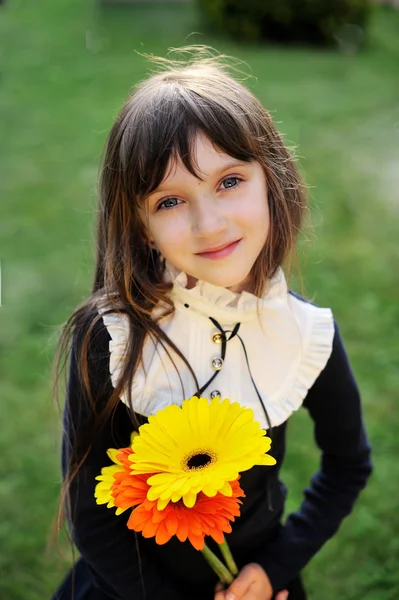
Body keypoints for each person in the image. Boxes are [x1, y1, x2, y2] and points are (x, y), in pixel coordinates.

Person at [51, 47, 373, 600]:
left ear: (271, 180)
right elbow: (92, 518)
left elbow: (348, 466)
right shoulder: (111, 337)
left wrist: (275, 567)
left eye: (229, 182)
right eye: (171, 200)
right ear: (142, 226)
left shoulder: (303, 334)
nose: (209, 223)